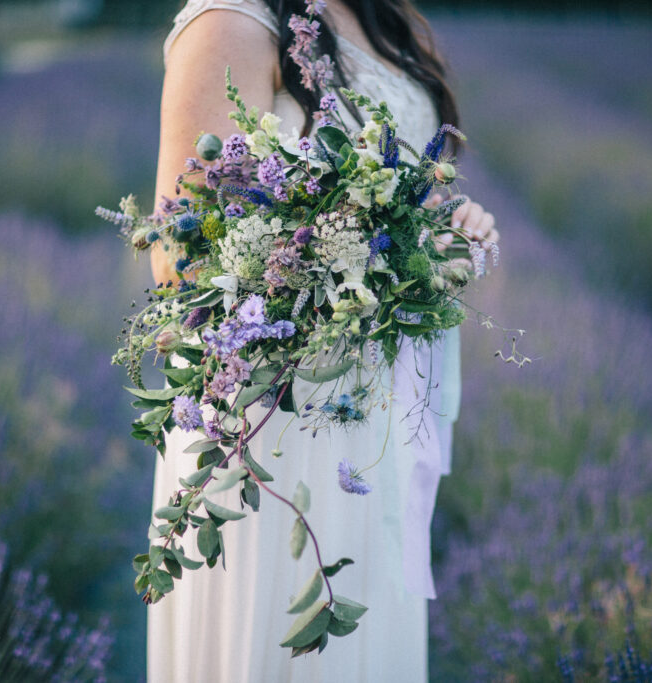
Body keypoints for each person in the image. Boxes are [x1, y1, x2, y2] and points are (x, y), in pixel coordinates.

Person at [148, 1, 498, 680]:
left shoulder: (372, 12)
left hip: (366, 409)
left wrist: (437, 233)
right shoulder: (235, 14)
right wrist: (352, 249)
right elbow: (176, 248)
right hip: (270, 420)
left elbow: (392, 186)